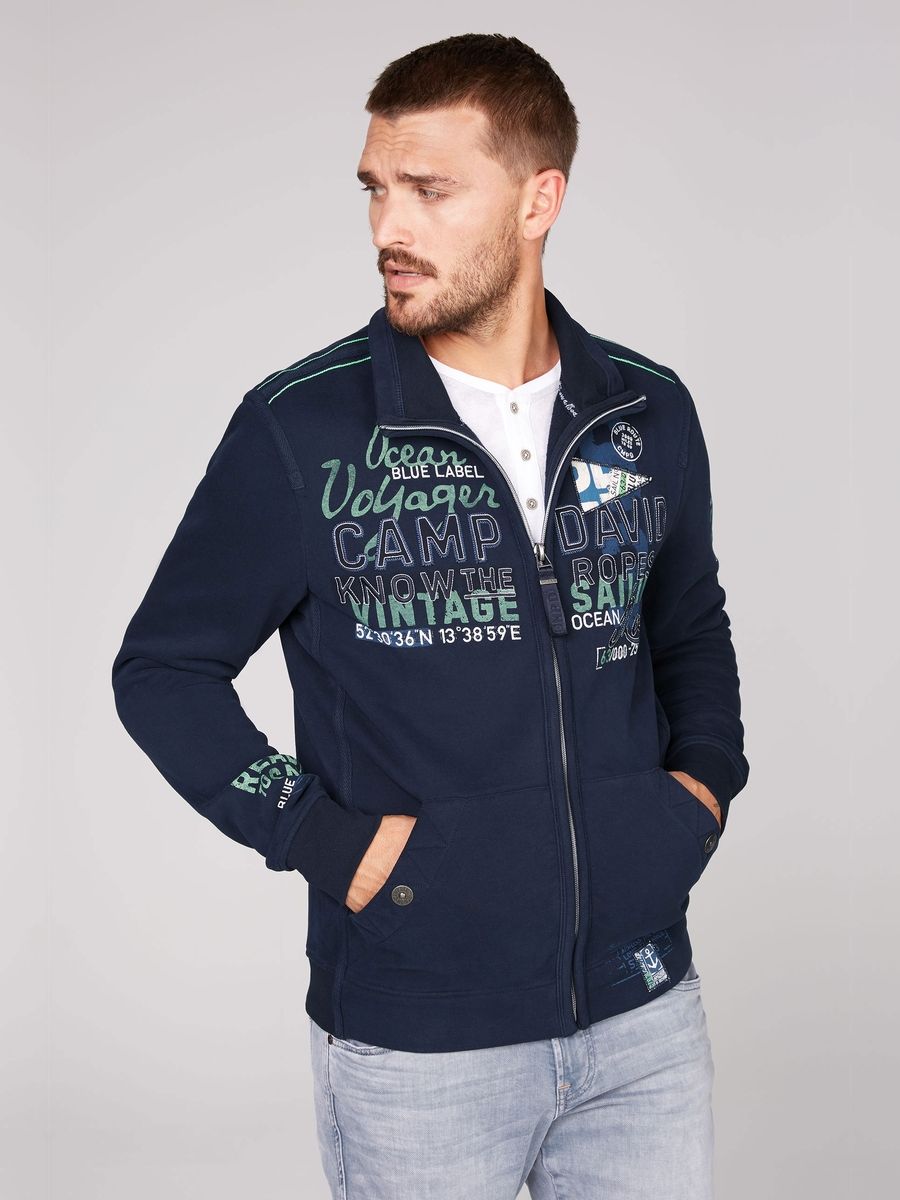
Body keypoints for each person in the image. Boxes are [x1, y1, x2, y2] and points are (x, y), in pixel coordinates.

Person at [111, 31, 749, 1200]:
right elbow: (161, 670)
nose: (387, 228)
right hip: (418, 1044)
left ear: (539, 200)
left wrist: (696, 795)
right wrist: (325, 842)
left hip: (645, 1020)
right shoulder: (302, 429)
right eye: (374, 189)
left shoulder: (646, 412)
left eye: (429, 191)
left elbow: (688, 625)